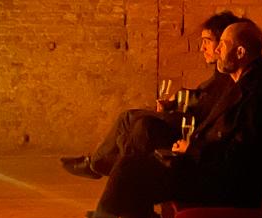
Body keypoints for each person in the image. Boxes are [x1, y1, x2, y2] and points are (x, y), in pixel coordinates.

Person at [35, 20, 262, 218]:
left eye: (222, 45)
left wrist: (192, 149)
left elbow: (242, 156)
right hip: (214, 174)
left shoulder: (258, 94)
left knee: (131, 172)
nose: (216, 51)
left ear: (240, 52)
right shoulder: (245, 84)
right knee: (134, 166)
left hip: (227, 189)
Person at [60, 11, 240, 179]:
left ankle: (97, 164)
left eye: (207, 41)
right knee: (134, 130)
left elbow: (207, 108)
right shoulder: (221, 73)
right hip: (187, 122)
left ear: (223, 44)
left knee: (129, 119)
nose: (203, 48)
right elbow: (204, 95)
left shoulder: (232, 76)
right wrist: (178, 99)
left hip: (191, 128)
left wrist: (178, 105)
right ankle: (109, 168)